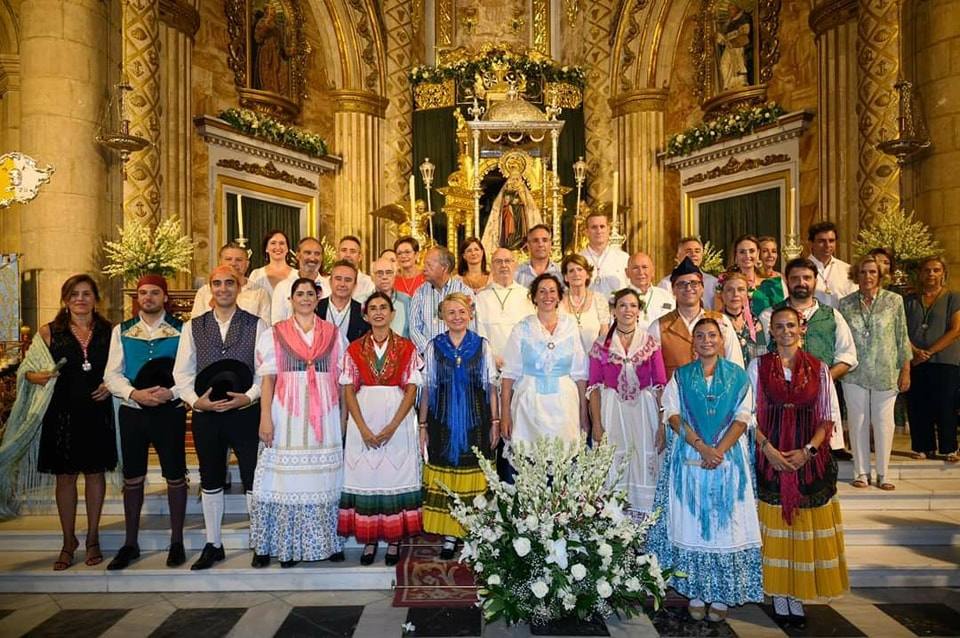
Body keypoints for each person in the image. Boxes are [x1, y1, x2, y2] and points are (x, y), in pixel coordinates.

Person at [647, 318, 762, 622]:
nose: (707, 340)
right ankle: (696, 591)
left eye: (712, 335)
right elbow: (671, 414)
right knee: (694, 523)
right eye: (700, 336)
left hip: (728, 463)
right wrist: (702, 447)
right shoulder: (681, 377)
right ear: (693, 342)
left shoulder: (738, 377)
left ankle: (722, 595)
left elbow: (743, 417)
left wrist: (719, 451)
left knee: (726, 527)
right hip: (691, 460)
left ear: (721, 340)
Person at [751, 306, 848, 625]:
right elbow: (748, 415)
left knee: (802, 527)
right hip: (771, 455)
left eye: (790, 325)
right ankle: (779, 593)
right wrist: (769, 450)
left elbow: (827, 415)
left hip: (808, 457)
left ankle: (797, 593)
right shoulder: (758, 366)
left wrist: (808, 450)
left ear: (801, 328)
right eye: (779, 327)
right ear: (771, 332)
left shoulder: (819, 369)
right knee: (777, 526)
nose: (785, 331)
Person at [173, 265, 268, 570]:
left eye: (230, 283)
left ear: (239, 286)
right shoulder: (193, 326)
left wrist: (249, 397)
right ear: (210, 289)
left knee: (253, 477)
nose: (224, 288)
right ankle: (213, 544)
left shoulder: (257, 324)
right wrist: (196, 402)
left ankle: (259, 542)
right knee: (211, 477)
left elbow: (264, 371)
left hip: (245, 413)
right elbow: (182, 372)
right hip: (208, 415)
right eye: (217, 283)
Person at [250, 277, 347, 568]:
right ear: (290, 300)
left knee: (324, 477)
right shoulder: (275, 333)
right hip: (286, 411)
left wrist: (342, 420)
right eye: (299, 294)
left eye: (310, 294)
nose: (305, 298)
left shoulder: (332, 334)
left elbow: (342, 381)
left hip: (325, 414)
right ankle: (285, 545)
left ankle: (327, 542)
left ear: (318, 299)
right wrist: (265, 417)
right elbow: (267, 379)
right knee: (282, 479)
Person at [24, 274, 116, 570]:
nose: (80, 299)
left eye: (86, 293)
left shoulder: (109, 331)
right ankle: (67, 541)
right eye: (74, 294)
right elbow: (27, 370)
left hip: (96, 410)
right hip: (62, 412)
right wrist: (37, 376)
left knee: (94, 473)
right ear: (65, 299)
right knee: (65, 477)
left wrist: (111, 384)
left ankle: (91, 538)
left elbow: (120, 368)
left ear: (95, 299)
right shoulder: (50, 332)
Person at [103, 275, 187, 570]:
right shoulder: (122, 331)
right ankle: (130, 543)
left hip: (169, 411)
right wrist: (134, 393)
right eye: (143, 293)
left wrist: (172, 392)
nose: (148, 297)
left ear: (165, 297)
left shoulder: (181, 329)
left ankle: (176, 541)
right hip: (133, 412)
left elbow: (190, 371)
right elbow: (111, 374)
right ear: (137, 298)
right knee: (133, 476)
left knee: (175, 474)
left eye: (154, 292)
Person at [338, 293, 422, 566]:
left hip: (397, 419)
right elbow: (348, 390)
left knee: (393, 477)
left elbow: (412, 389)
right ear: (365, 315)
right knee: (367, 478)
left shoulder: (408, 347)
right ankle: (370, 539)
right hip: (363, 417)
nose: (378, 312)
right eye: (372, 308)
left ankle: (395, 540)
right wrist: (361, 428)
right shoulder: (353, 348)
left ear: (392, 313)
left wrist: (394, 426)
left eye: (383, 308)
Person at [419, 293, 499, 560]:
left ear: (470, 314)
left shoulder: (482, 346)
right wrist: (422, 425)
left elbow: (491, 387)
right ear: (442, 316)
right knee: (447, 475)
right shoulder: (433, 346)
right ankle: (450, 535)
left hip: (476, 420)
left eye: (461, 312)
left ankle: (475, 533)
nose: (457, 317)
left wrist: (496, 422)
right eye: (451, 312)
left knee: (474, 473)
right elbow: (428, 388)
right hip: (441, 421)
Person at [758, 258, 858, 460]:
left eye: (807, 278)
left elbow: (848, 355)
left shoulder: (832, 315)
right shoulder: (770, 315)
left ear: (815, 281)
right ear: (786, 281)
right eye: (795, 278)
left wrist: (821, 380)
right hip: (780, 401)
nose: (801, 282)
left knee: (819, 451)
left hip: (819, 395)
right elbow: (760, 357)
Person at [587, 289, 667, 517]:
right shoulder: (601, 345)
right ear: (614, 310)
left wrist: (662, 425)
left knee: (644, 460)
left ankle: (644, 523)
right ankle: (615, 523)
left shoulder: (650, 342)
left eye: (633, 305)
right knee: (615, 461)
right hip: (612, 410)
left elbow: (660, 384)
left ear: (639, 312)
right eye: (622, 305)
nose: (628, 310)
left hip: (644, 411)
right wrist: (597, 424)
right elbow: (593, 387)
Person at [838, 256, 912, 489]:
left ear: (880, 275)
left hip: (886, 369)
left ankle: (883, 474)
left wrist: (906, 369)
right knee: (858, 421)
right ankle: (861, 472)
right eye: (862, 272)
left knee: (884, 422)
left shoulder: (894, 301)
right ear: (855, 275)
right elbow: (841, 338)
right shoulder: (846, 303)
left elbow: (902, 337)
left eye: (872, 272)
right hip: (854, 370)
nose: (867, 277)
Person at [501, 273, 589, 446]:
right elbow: (508, 376)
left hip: (565, 406)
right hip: (529, 407)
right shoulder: (521, 328)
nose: (547, 296)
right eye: (542, 291)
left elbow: (580, 374)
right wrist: (505, 415)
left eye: (552, 291)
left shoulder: (570, 326)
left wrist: (583, 414)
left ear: (559, 297)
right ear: (534, 297)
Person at [648, 257, 745, 381]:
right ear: (673, 290)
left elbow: (736, 365)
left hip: (717, 397)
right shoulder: (658, 327)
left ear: (702, 288)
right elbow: (652, 375)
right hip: (675, 397)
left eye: (694, 283)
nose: (688, 288)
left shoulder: (721, 322)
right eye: (682, 284)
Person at [904, 256, 960, 463]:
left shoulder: (953, 297)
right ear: (920, 273)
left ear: (943, 273)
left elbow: (956, 330)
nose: (931, 274)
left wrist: (929, 351)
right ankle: (922, 446)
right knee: (918, 404)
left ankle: (948, 448)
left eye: (936, 270)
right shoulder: (909, 300)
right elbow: (901, 331)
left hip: (945, 360)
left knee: (946, 404)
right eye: (927, 270)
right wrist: (915, 351)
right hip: (915, 360)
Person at [475, 248, 535, 371]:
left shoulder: (527, 295)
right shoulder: (481, 297)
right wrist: (490, 357)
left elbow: (533, 330)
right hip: (491, 365)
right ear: (491, 266)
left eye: (507, 261)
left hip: (521, 364)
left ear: (515, 265)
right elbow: (478, 331)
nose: (503, 265)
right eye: (498, 261)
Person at [409, 246, 476, 353]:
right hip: (428, 359)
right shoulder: (419, 293)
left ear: (444, 267)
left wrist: (455, 352)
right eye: (424, 264)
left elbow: (472, 326)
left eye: (429, 264)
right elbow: (414, 329)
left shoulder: (464, 292)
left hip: (459, 356)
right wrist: (431, 351)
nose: (423, 268)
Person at [192, 242, 271, 323]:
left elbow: (265, 328)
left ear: (247, 264)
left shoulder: (260, 293)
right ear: (220, 262)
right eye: (228, 259)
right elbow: (195, 325)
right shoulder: (204, 292)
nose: (233, 263)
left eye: (239, 260)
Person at [718, 234, 785, 316]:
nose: (747, 256)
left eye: (752, 251)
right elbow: (719, 315)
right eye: (742, 252)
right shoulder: (724, 283)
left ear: (758, 253)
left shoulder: (772, 284)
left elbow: (781, 315)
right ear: (735, 255)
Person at [559, 254, 611, 355]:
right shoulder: (558, 301)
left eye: (580, 269)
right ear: (566, 277)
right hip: (565, 363)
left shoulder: (598, 299)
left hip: (593, 361)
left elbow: (604, 335)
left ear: (587, 274)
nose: (576, 274)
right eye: (571, 271)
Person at [271, 236, 329, 325]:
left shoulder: (329, 287)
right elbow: (277, 324)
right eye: (308, 253)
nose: (312, 258)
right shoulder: (283, 287)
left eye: (317, 254)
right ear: (298, 255)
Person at [658, 237, 719, 309]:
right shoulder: (666, 283)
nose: (693, 254)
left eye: (697, 251)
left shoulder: (713, 282)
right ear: (678, 255)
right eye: (688, 251)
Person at [718, 271, 766, 364]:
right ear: (722, 294)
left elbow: (761, 356)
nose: (735, 294)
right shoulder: (716, 322)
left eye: (740, 289)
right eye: (729, 290)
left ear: (747, 294)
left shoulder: (755, 322)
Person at [317, 260, 370, 343]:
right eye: (338, 279)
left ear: (355, 285)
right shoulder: (315, 308)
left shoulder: (363, 312)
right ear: (330, 282)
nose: (342, 284)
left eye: (348, 280)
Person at [807, 221, 856, 308]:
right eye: (821, 241)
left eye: (831, 241)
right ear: (811, 243)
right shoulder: (801, 269)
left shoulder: (847, 269)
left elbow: (854, 299)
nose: (827, 245)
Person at [579, 212, 629, 297]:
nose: (599, 231)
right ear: (586, 232)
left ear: (608, 229)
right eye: (594, 227)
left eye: (602, 227)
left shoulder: (623, 258)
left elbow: (630, 287)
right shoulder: (578, 259)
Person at [624, 251, 675, 327]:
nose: (641, 272)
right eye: (635, 268)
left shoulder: (666, 297)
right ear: (627, 273)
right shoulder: (619, 298)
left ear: (653, 271)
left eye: (645, 267)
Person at [249, 230, 295, 298]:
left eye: (282, 243)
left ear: (287, 248)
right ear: (266, 248)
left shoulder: (297, 275)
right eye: (273, 243)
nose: (278, 247)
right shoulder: (256, 274)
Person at [372, 257, 410, 337]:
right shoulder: (364, 301)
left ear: (394, 275)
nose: (384, 277)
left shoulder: (407, 301)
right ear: (372, 277)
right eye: (380, 273)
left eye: (389, 272)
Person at [514, 224, 561, 288]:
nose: (540, 244)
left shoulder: (560, 273)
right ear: (528, 246)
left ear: (550, 244)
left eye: (544, 240)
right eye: (535, 241)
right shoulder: (517, 273)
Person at [337, 235, 376, 303]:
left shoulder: (370, 284)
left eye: (352, 251)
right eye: (344, 250)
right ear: (337, 255)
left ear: (360, 257)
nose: (348, 255)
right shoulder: (326, 283)